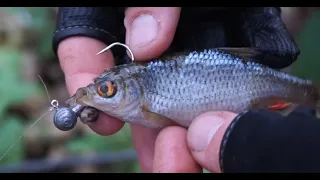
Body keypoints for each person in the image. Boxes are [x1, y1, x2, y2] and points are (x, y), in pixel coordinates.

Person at [52, 7, 320, 173]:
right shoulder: (137, 99)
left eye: (107, 89)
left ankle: (310, 96)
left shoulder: (145, 107)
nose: (97, 95)